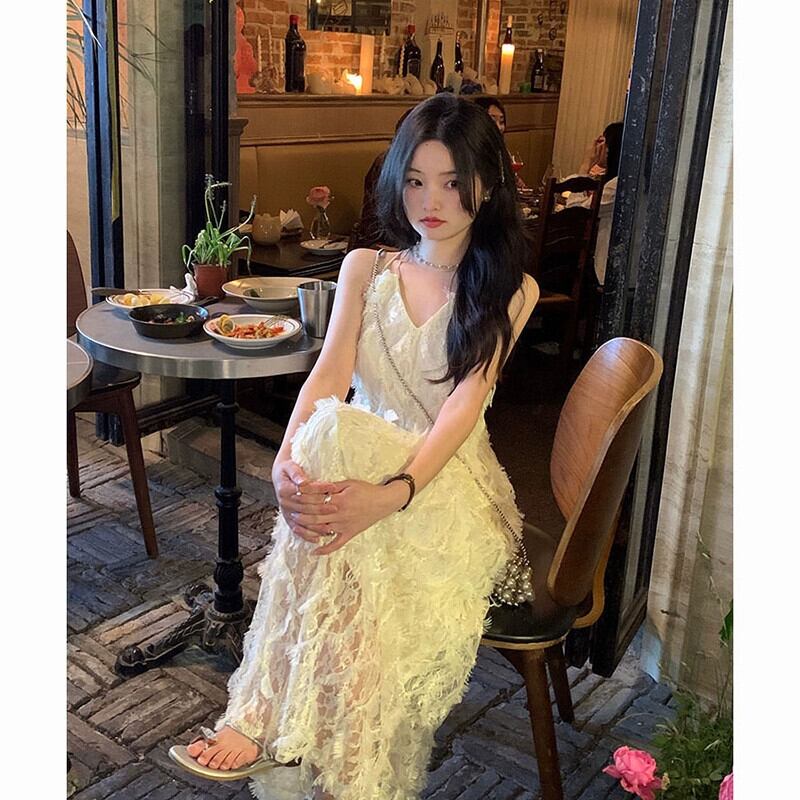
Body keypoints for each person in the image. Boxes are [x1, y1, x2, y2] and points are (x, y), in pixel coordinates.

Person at [169, 93, 539, 800]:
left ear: (488, 185)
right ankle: (346, 777)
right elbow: (330, 373)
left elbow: (460, 413)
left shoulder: (510, 290)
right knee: (334, 446)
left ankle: (265, 719)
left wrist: (391, 495)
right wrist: (285, 461)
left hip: (443, 487)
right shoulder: (366, 267)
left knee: (343, 497)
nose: (432, 201)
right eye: (416, 181)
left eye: (453, 182)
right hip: (351, 478)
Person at [566, 121, 624, 284]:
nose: (597, 147)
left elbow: (575, 213)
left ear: (611, 149)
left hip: (603, 271)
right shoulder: (620, 181)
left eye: (602, 142)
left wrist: (585, 165)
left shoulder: (616, 186)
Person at [471, 95, 532, 194]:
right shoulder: (470, 150)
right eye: (492, 120)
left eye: (502, 122)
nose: (499, 127)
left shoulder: (500, 150)